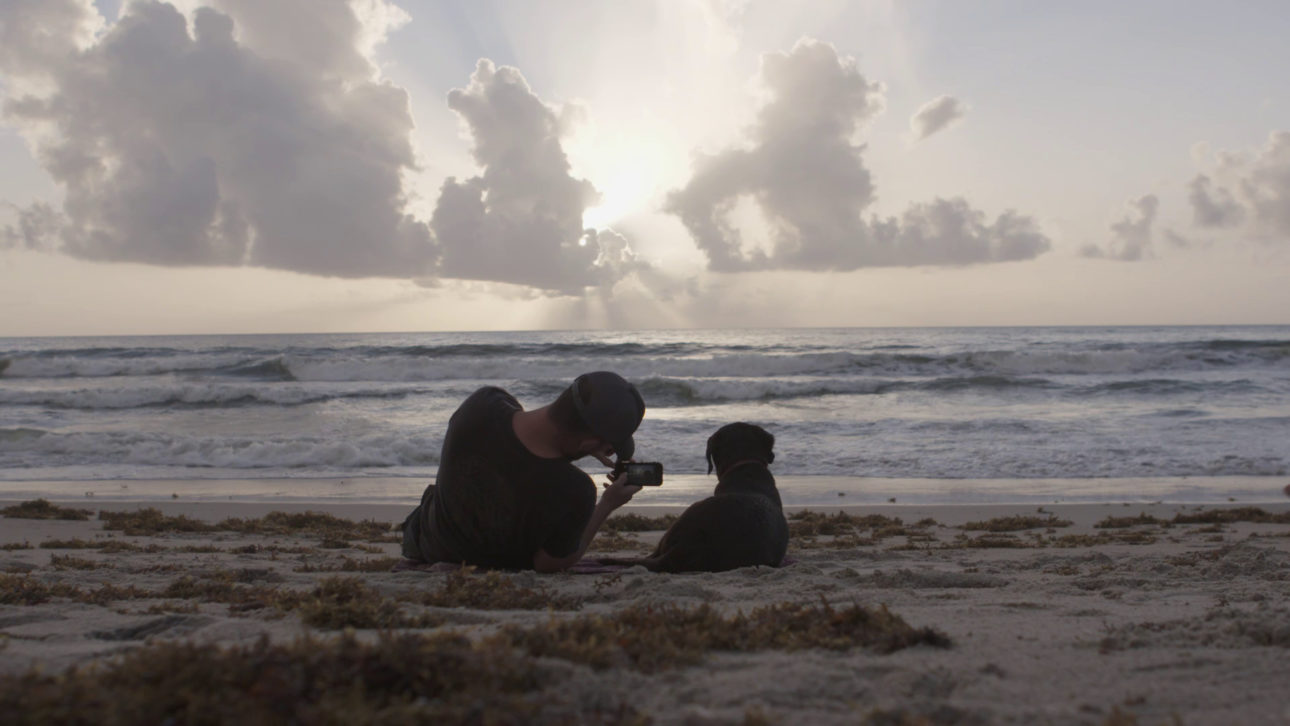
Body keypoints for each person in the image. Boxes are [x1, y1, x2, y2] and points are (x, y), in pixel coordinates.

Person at [400, 371, 646, 572]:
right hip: (489, 563)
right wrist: (607, 504)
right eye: (607, 447)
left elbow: (520, 439)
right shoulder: (574, 490)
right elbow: (550, 565)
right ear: (590, 444)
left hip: (428, 541)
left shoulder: (482, 403)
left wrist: (581, 444)